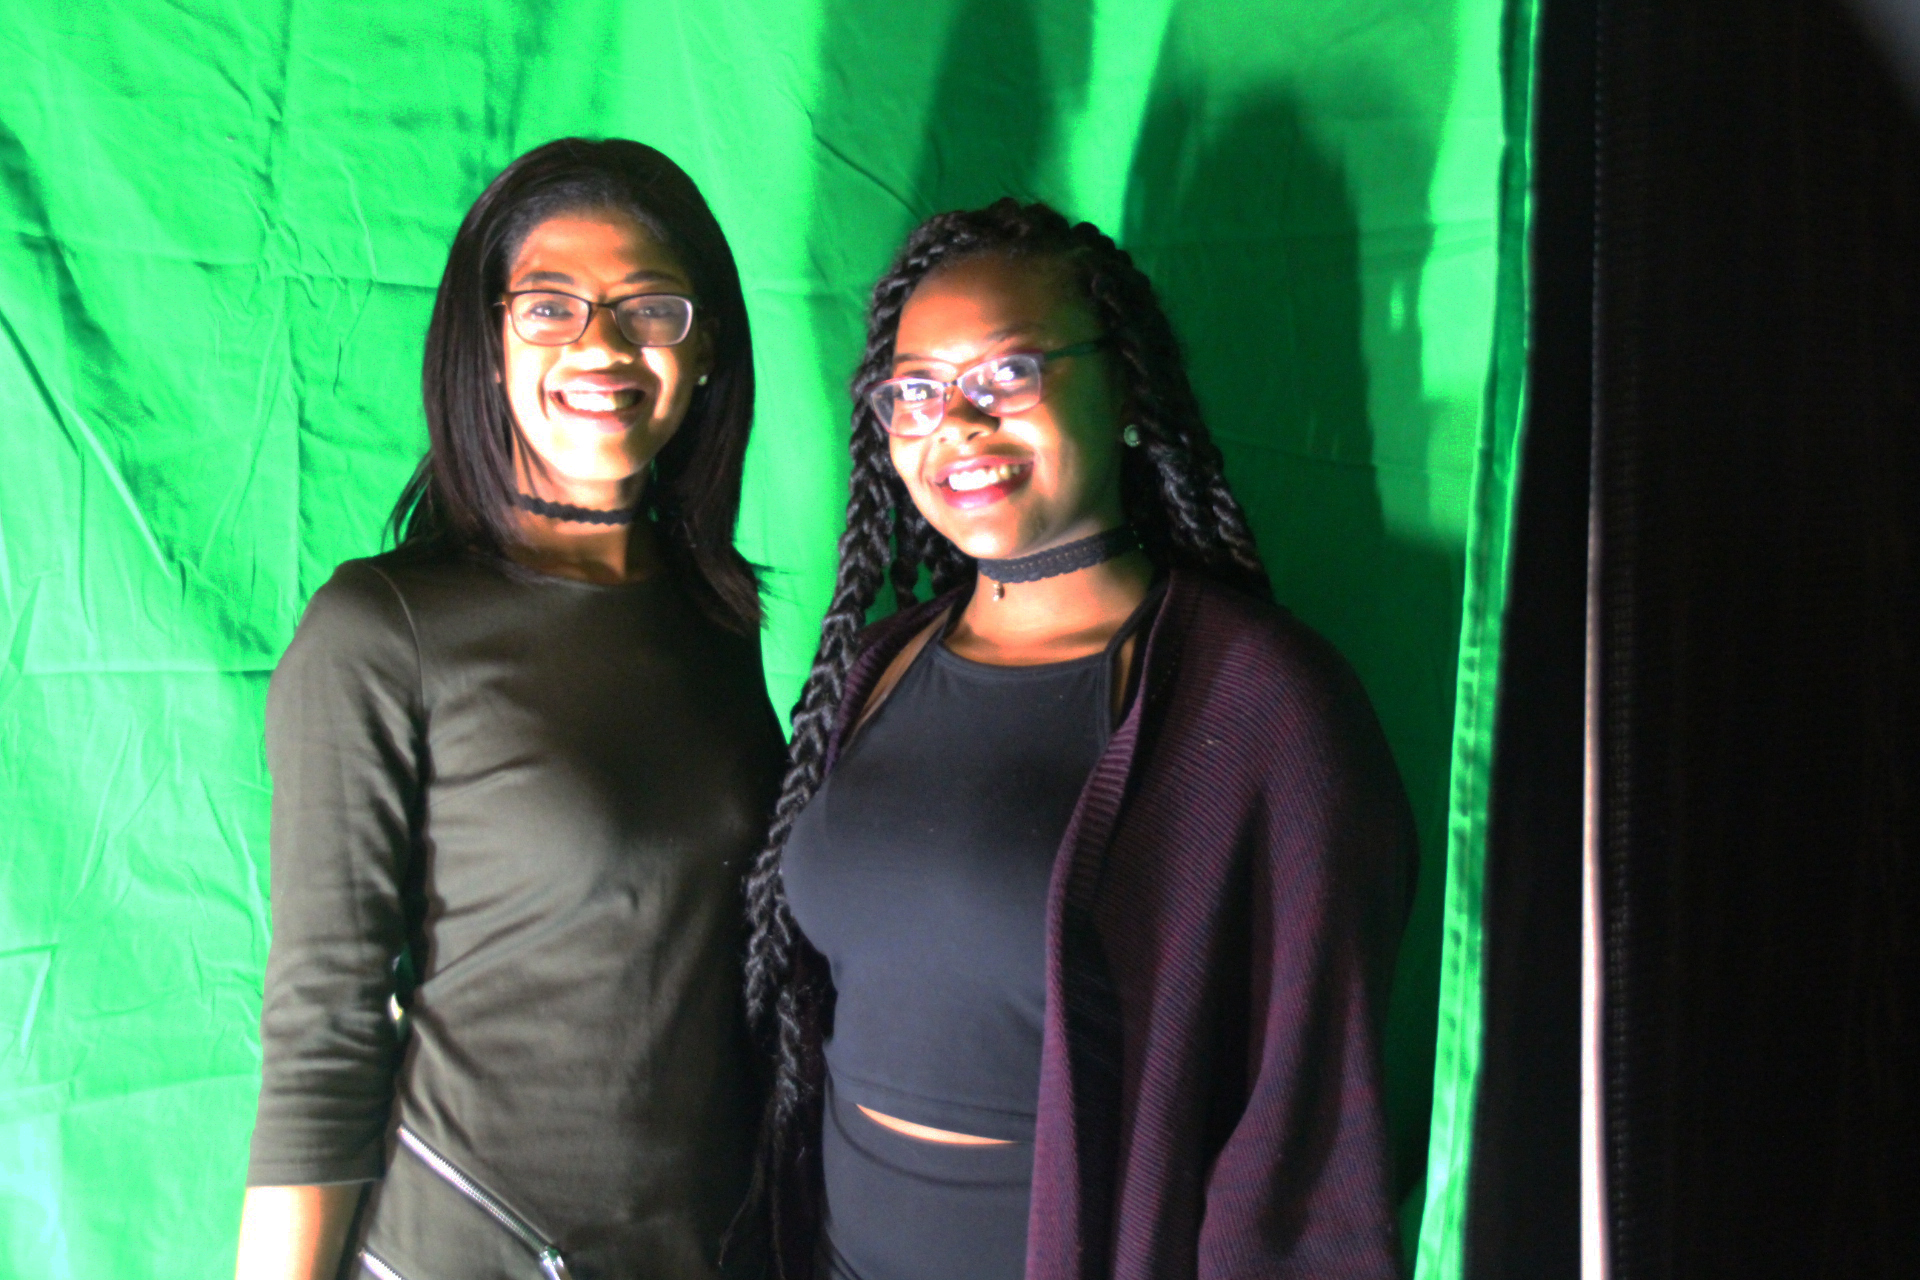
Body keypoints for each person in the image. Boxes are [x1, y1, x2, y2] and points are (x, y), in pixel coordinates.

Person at [744, 199, 1417, 1279]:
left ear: (1126, 391)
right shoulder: (878, 666)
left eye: (1008, 374)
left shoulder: (1261, 703)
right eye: (915, 391)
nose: (957, 423)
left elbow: (1307, 1137)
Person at [235, 138, 785, 1280]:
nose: (602, 344)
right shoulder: (380, 628)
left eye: (650, 308)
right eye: (549, 307)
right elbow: (323, 1031)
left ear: (706, 350)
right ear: (486, 349)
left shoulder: (711, 615)